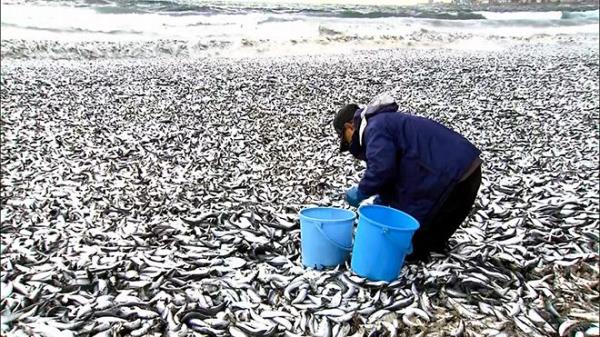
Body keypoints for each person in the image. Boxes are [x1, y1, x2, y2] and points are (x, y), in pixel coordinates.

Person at [333, 95, 482, 262]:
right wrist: (382, 203)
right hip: (463, 170)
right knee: (430, 240)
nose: (347, 144)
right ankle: (432, 258)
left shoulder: (375, 128)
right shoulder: (383, 123)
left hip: (453, 175)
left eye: (343, 138)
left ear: (349, 127)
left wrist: (361, 191)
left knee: (417, 242)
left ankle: (427, 270)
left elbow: (381, 168)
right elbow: (393, 175)